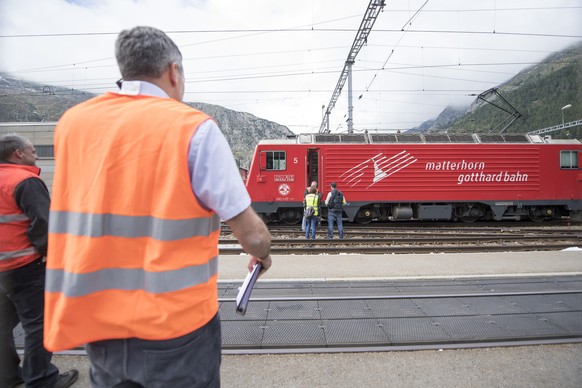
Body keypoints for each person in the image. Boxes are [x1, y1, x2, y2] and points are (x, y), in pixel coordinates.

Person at [44, 26, 272, 387]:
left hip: (96, 320)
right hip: (174, 328)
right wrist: (262, 254)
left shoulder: (72, 124)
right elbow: (253, 235)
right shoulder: (193, 128)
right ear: (173, 72)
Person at [0, 134, 78, 388]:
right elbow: (44, 225)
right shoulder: (25, 181)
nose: (36, 154)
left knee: (3, 324)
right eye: (33, 150)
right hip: (23, 266)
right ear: (18, 153)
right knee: (39, 325)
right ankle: (41, 379)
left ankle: (8, 376)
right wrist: (51, 254)